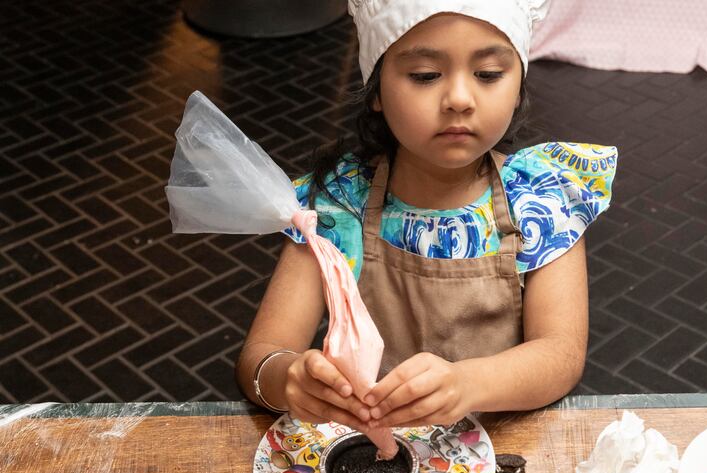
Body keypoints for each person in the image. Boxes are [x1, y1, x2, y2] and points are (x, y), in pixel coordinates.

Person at [236, 0, 617, 434]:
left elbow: (560, 356)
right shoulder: (340, 202)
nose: (458, 98)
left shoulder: (543, 199)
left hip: (502, 455)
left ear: (518, 86)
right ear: (376, 91)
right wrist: (287, 380)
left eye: (489, 74)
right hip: (372, 449)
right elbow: (259, 356)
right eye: (425, 76)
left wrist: (468, 383)